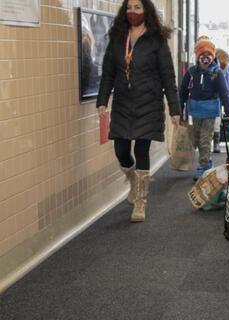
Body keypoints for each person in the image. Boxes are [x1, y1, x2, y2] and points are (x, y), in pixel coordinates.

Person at [96, 0, 180, 223]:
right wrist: (102, 100)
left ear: (146, 11)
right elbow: (107, 73)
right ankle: (133, 179)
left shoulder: (156, 39)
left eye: (137, 7)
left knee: (142, 149)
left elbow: (168, 77)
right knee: (121, 150)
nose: (132, 12)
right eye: (129, 8)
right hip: (123, 103)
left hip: (149, 103)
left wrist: (174, 108)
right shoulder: (117, 38)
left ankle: (141, 201)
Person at [179, 38, 229, 180]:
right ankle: (207, 162)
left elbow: (224, 93)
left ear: (214, 56)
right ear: (197, 56)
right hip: (195, 111)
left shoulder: (217, 73)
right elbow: (183, 91)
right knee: (196, 139)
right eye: (202, 54)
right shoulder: (191, 72)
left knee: (204, 140)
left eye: (209, 54)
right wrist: (179, 108)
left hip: (210, 111)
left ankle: (203, 167)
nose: (205, 58)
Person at [212, 48, 229, 153]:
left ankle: (216, 142)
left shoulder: (225, 72)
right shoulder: (214, 70)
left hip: (219, 99)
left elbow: (226, 88)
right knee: (214, 121)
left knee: (217, 121)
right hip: (214, 99)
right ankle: (215, 142)